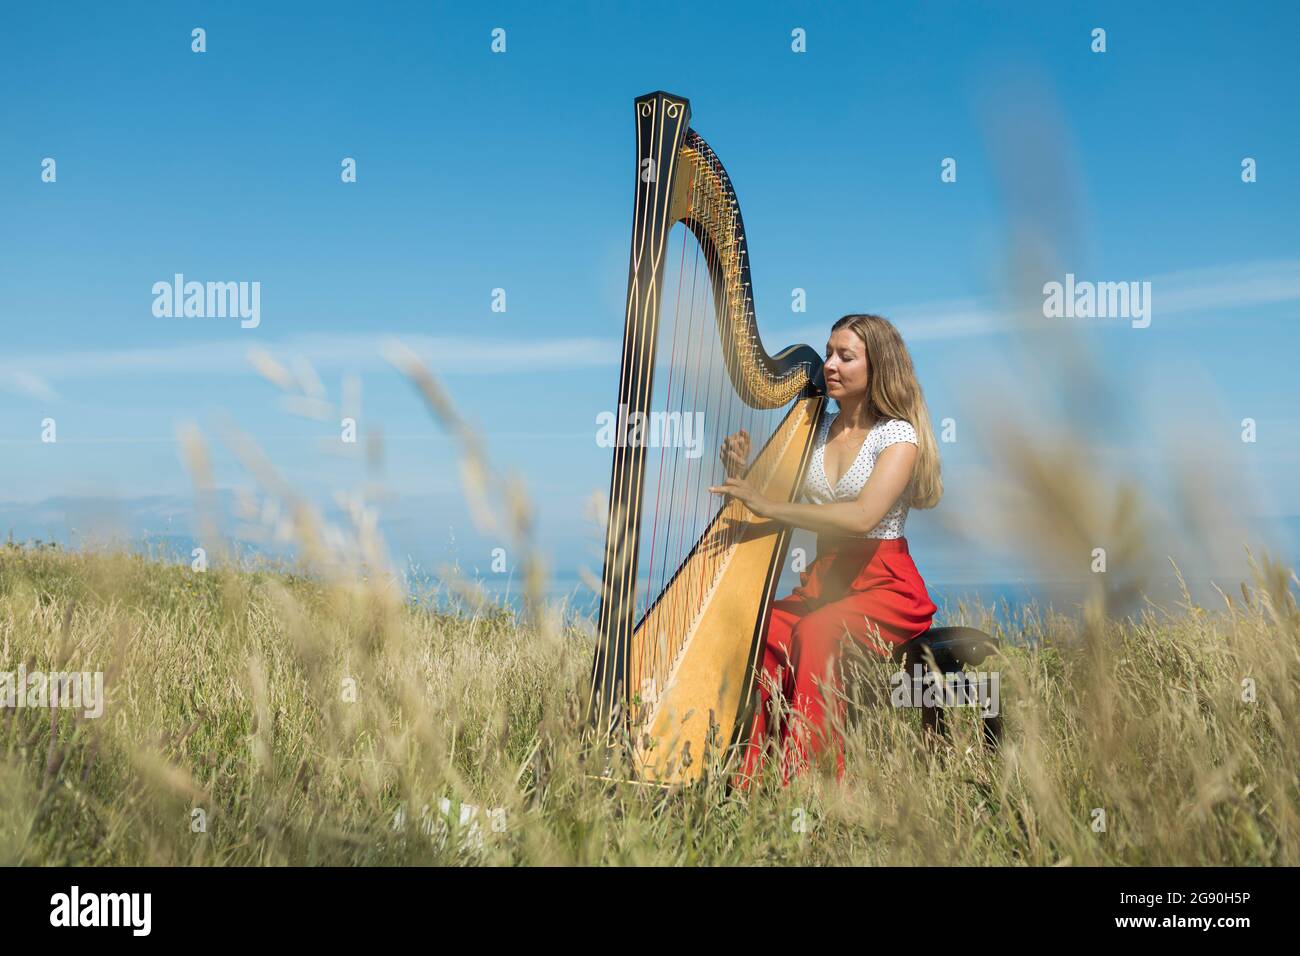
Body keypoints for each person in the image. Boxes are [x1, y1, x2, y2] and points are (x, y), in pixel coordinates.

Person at [709, 313, 943, 787]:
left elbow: (862, 517)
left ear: (878, 368)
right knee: (765, 626)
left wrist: (770, 504)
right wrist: (742, 469)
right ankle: (750, 778)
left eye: (846, 356)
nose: (829, 365)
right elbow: (770, 497)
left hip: (884, 586)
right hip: (827, 579)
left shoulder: (897, 436)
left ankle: (810, 785)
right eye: (829, 352)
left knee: (818, 630)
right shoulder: (815, 428)